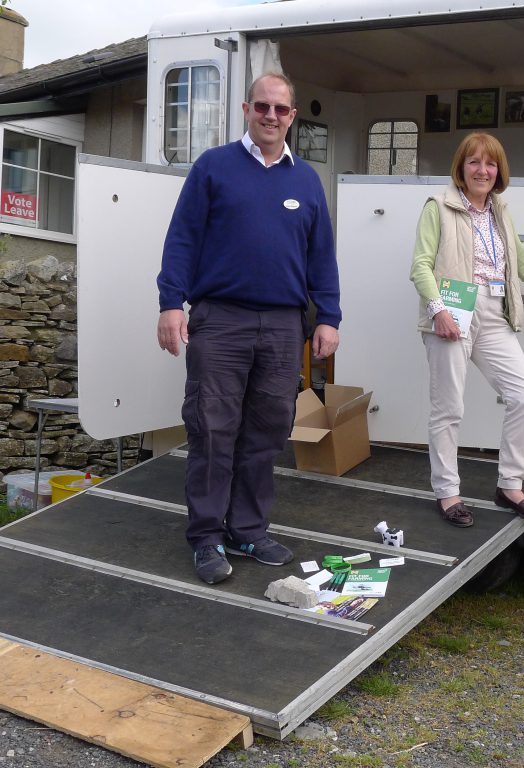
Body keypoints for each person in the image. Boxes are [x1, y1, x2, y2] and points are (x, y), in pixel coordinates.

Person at [156, 72, 341, 585]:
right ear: (246, 108)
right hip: (221, 321)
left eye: (281, 110)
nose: (271, 116)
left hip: (284, 327)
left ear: (293, 116)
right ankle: (207, 537)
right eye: (262, 106)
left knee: (267, 432)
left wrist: (328, 316)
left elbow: (321, 256)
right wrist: (171, 303)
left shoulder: (305, 181)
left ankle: (249, 529)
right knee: (213, 430)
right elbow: (182, 241)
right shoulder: (213, 168)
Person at [410, 132, 524, 528]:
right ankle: (448, 493)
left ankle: (510, 485)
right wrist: (438, 310)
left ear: (499, 170)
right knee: (449, 408)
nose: (482, 170)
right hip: (452, 308)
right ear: (461, 167)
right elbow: (420, 266)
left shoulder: (500, 212)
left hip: (493, 313)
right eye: (473, 162)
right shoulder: (438, 207)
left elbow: (521, 264)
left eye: (489, 163)